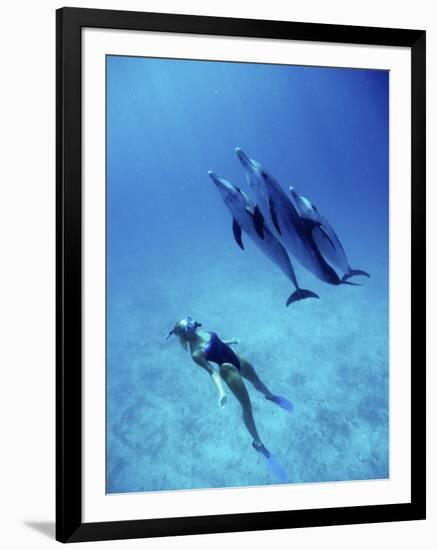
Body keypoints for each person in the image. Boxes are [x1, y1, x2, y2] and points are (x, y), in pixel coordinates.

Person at [165, 317, 293, 458]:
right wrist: (221, 392)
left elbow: (217, 343)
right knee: (247, 407)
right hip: (228, 370)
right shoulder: (196, 353)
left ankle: (271, 396)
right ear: (185, 335)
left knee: (257, 381)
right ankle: (258, 443)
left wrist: (231, 341)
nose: (192, 323)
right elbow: (212, 372)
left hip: (236, 358)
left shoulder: (204, 332)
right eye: (188, 325)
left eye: (190, 321)